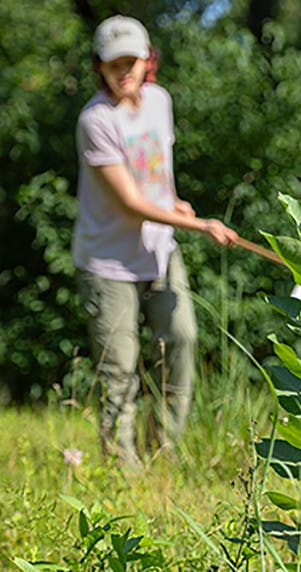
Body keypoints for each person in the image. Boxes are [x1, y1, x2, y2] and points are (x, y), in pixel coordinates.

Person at [73, 15, 238, 469]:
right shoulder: (95, 121)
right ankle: (121, 470)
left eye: (132, 61)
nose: (123, 71)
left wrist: (176, 203)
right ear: (99, 68)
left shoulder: (160, 102)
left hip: (160, 250)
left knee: (181, 339)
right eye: (113, 64)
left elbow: (155, 173)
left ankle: (162, 449)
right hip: (108, 262)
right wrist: (201, 225)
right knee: (119, 368)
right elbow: (128, 202)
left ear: (149, 61)